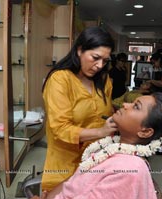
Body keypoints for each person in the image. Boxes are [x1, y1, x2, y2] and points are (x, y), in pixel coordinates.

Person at [33, 92, 162, 199]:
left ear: (145, 131)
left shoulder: (129, 169)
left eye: (136, 106)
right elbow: (77, 179)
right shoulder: (112, 147)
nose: (125, 104)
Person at [41, 27, 117, 191]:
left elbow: (106, 113)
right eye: (95, 58)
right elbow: (60, 129)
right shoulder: (60, 80)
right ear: (80, 50)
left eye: (105, 61)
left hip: (97, 161)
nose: (99, 65)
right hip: (65, 164)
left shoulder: (104, 80)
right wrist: (100, 132)